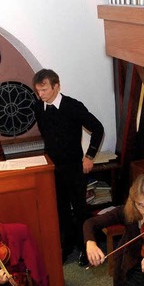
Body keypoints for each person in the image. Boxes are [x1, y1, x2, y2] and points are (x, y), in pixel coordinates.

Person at [33, 69, 104, 265]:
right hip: (53, 169)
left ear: (56, 86)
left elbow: (98, 128)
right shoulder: (39, 108)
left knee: (80, 209)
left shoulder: (72, 106)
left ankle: (86, 249)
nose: (41, 95)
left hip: (74, 168)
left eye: (44, 90)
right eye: (38, 90)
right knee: (60, 210)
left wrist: (89, 156)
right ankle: (67, 245)